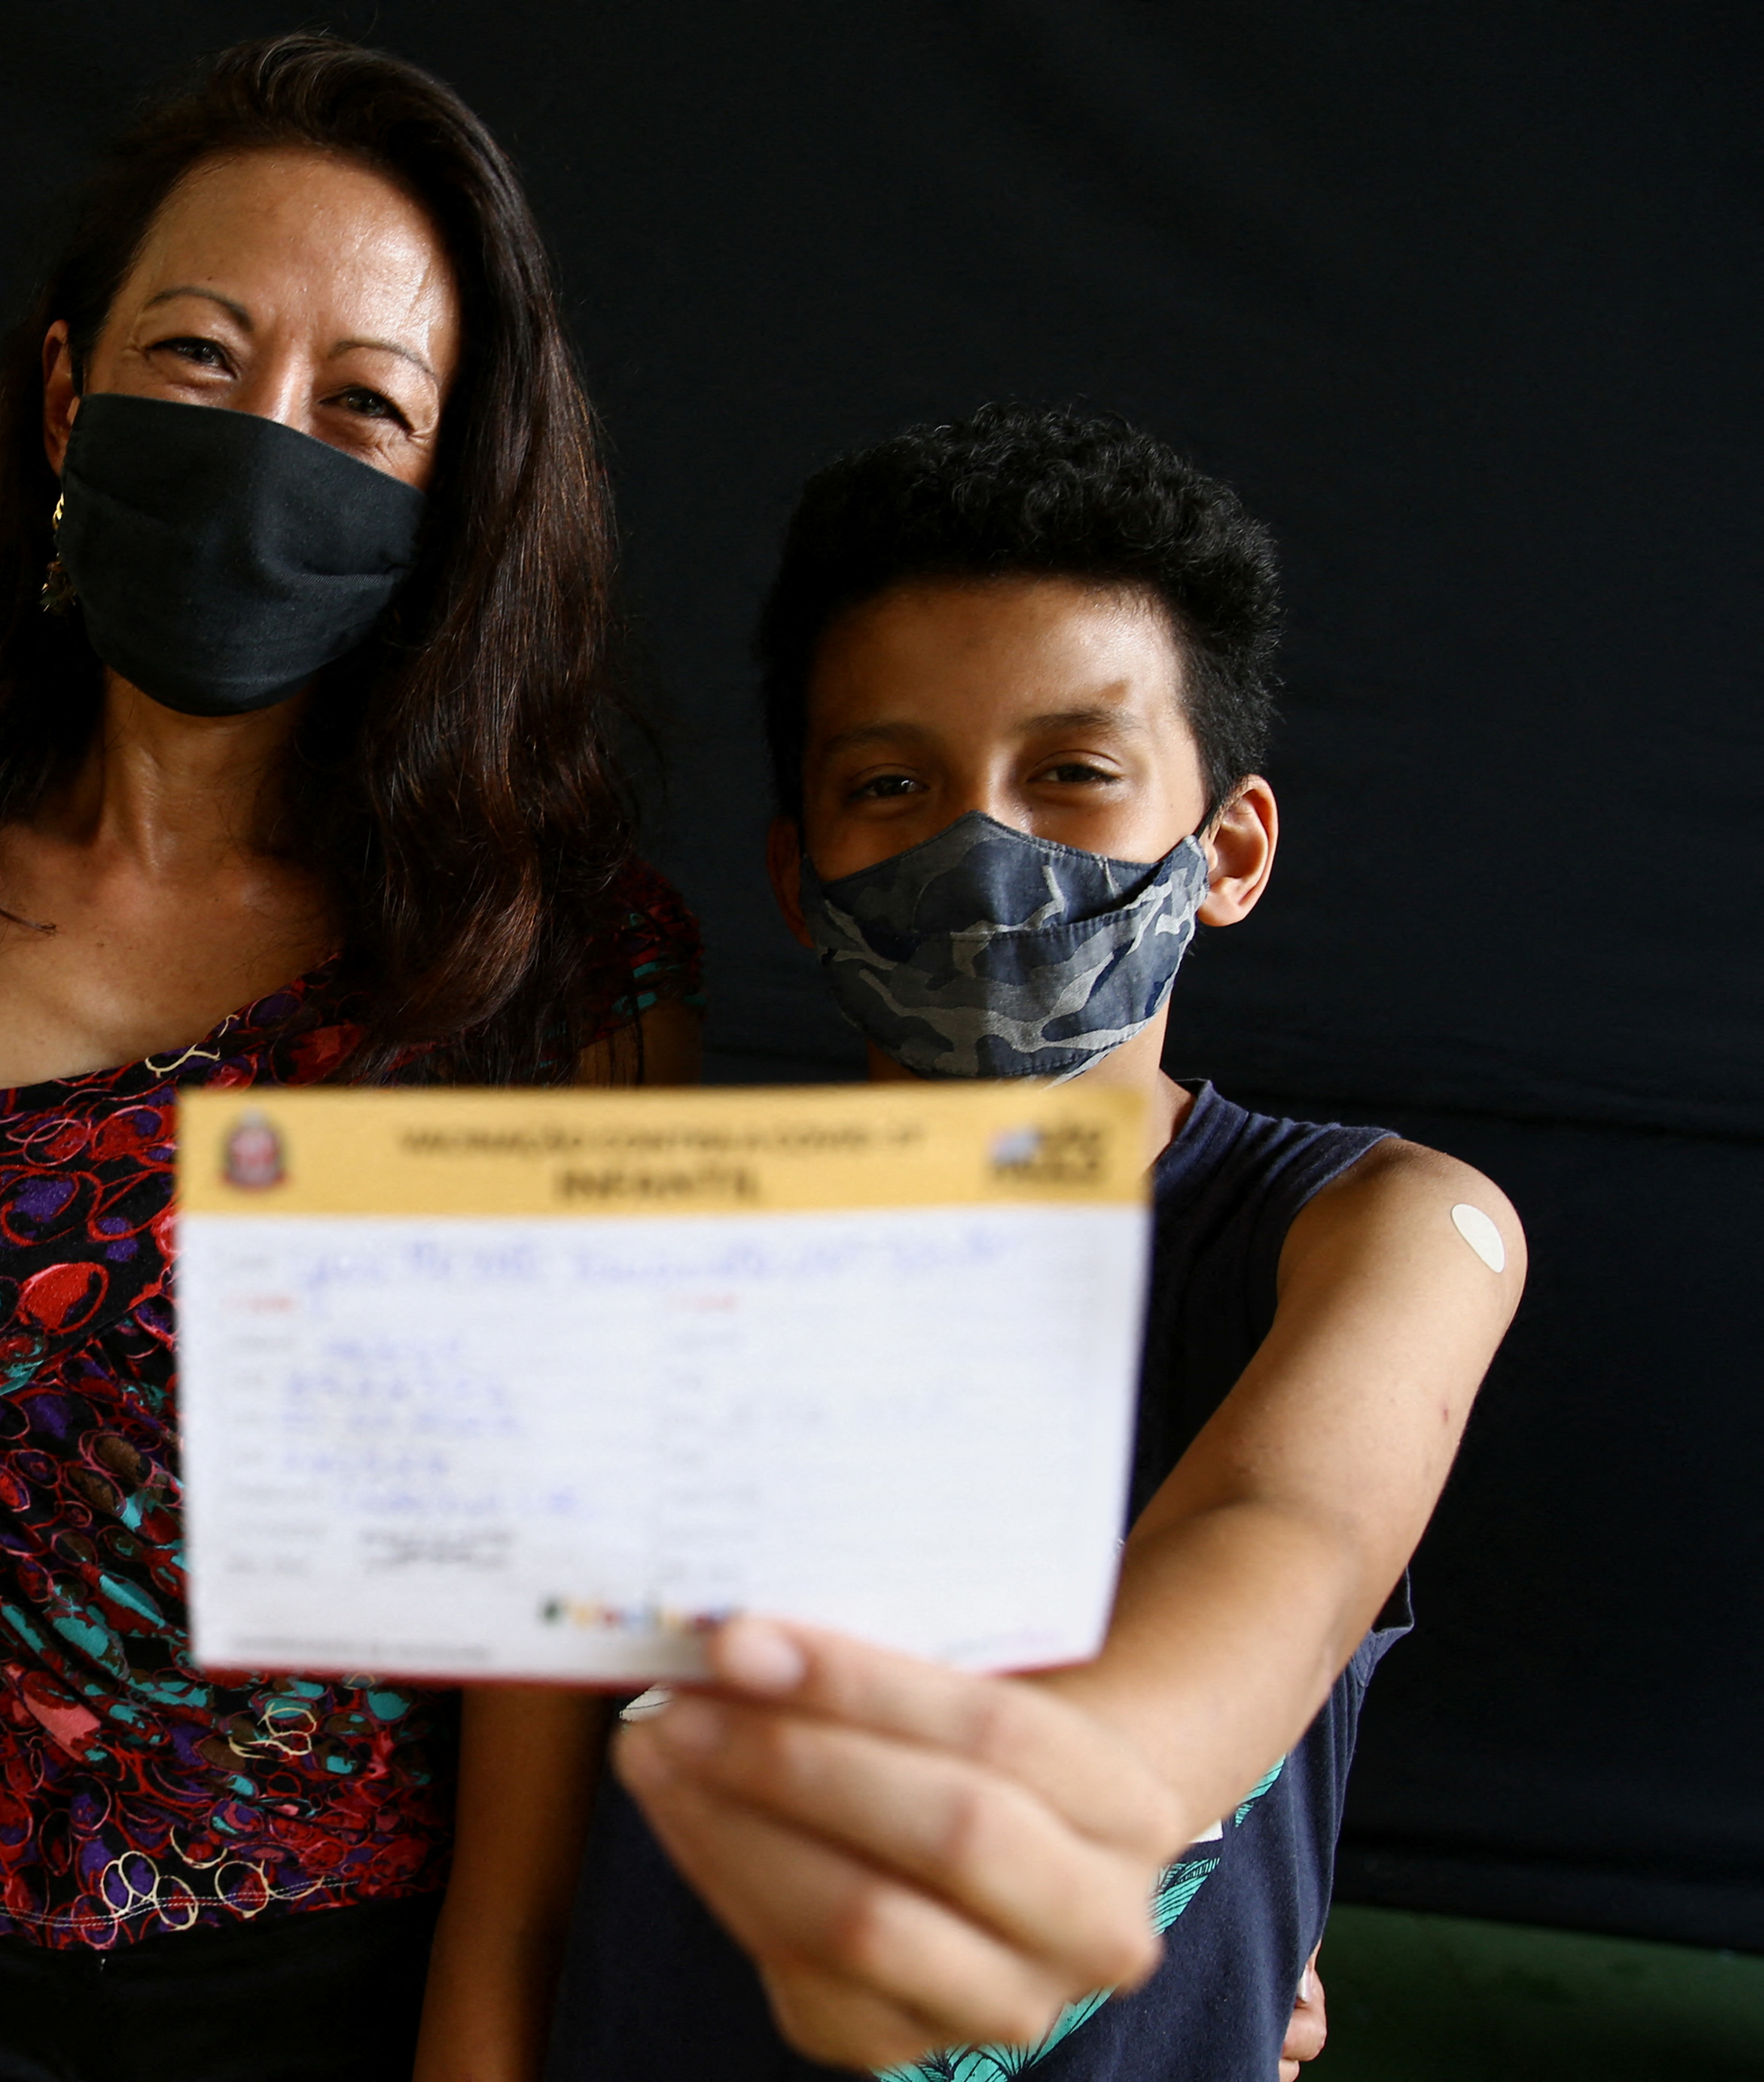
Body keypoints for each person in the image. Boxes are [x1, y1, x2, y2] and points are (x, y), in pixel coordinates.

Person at [0, 33, 701, 2082]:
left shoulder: (556, 966)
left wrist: (481, 2024)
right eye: (200, 355)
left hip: (337, 1987)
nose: (270, 438)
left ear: (448, 496)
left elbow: (561, 1600)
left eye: (362, 402)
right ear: (69, 391)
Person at [544, 405, 1526, 2081]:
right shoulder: (650, 1257)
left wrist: (1024, 1843)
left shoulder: (1377, 1231)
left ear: (1226, 851)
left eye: (1072, 771)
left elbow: (1279, 1530)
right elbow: (521, 1830)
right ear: (800, 876)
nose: (978, 849)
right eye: (888, 784)